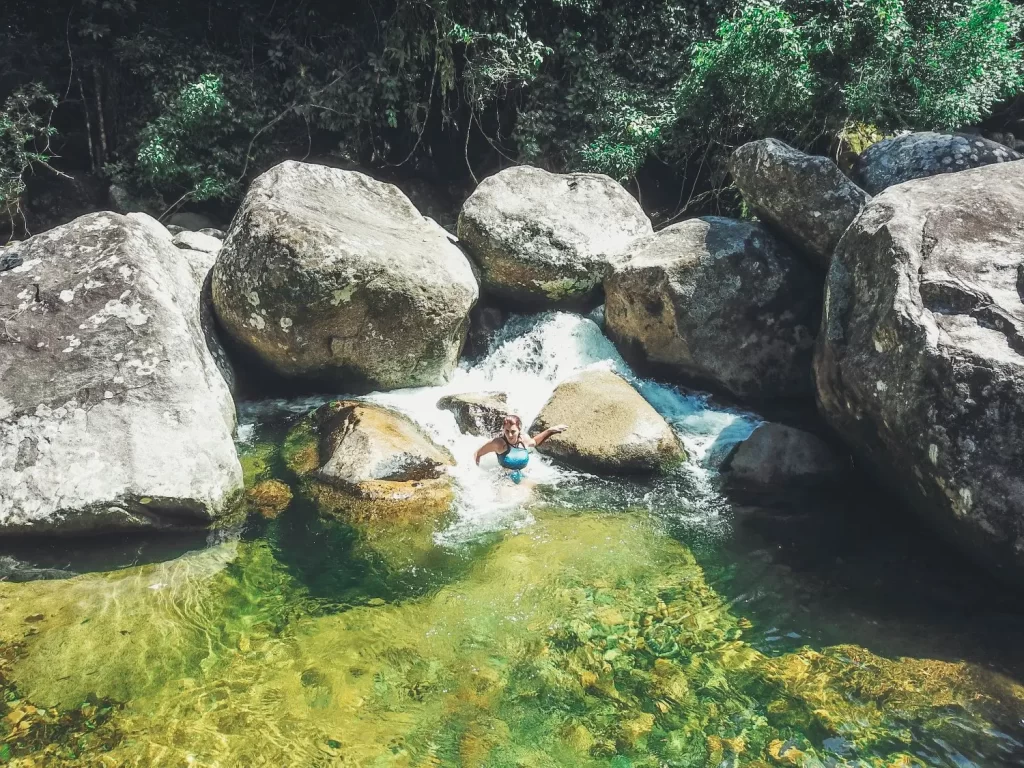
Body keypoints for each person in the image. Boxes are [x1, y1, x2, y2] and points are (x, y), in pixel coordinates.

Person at [474, 414, 568, 483]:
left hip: (524, 476)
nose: (509, 435)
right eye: (507, 431)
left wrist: (550, 431)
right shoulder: (498, 443)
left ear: (519, 430)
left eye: (513, 431)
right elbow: (478, 453)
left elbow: (534, 442)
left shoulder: (524, 439)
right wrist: (474, 474)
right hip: (505, 478)